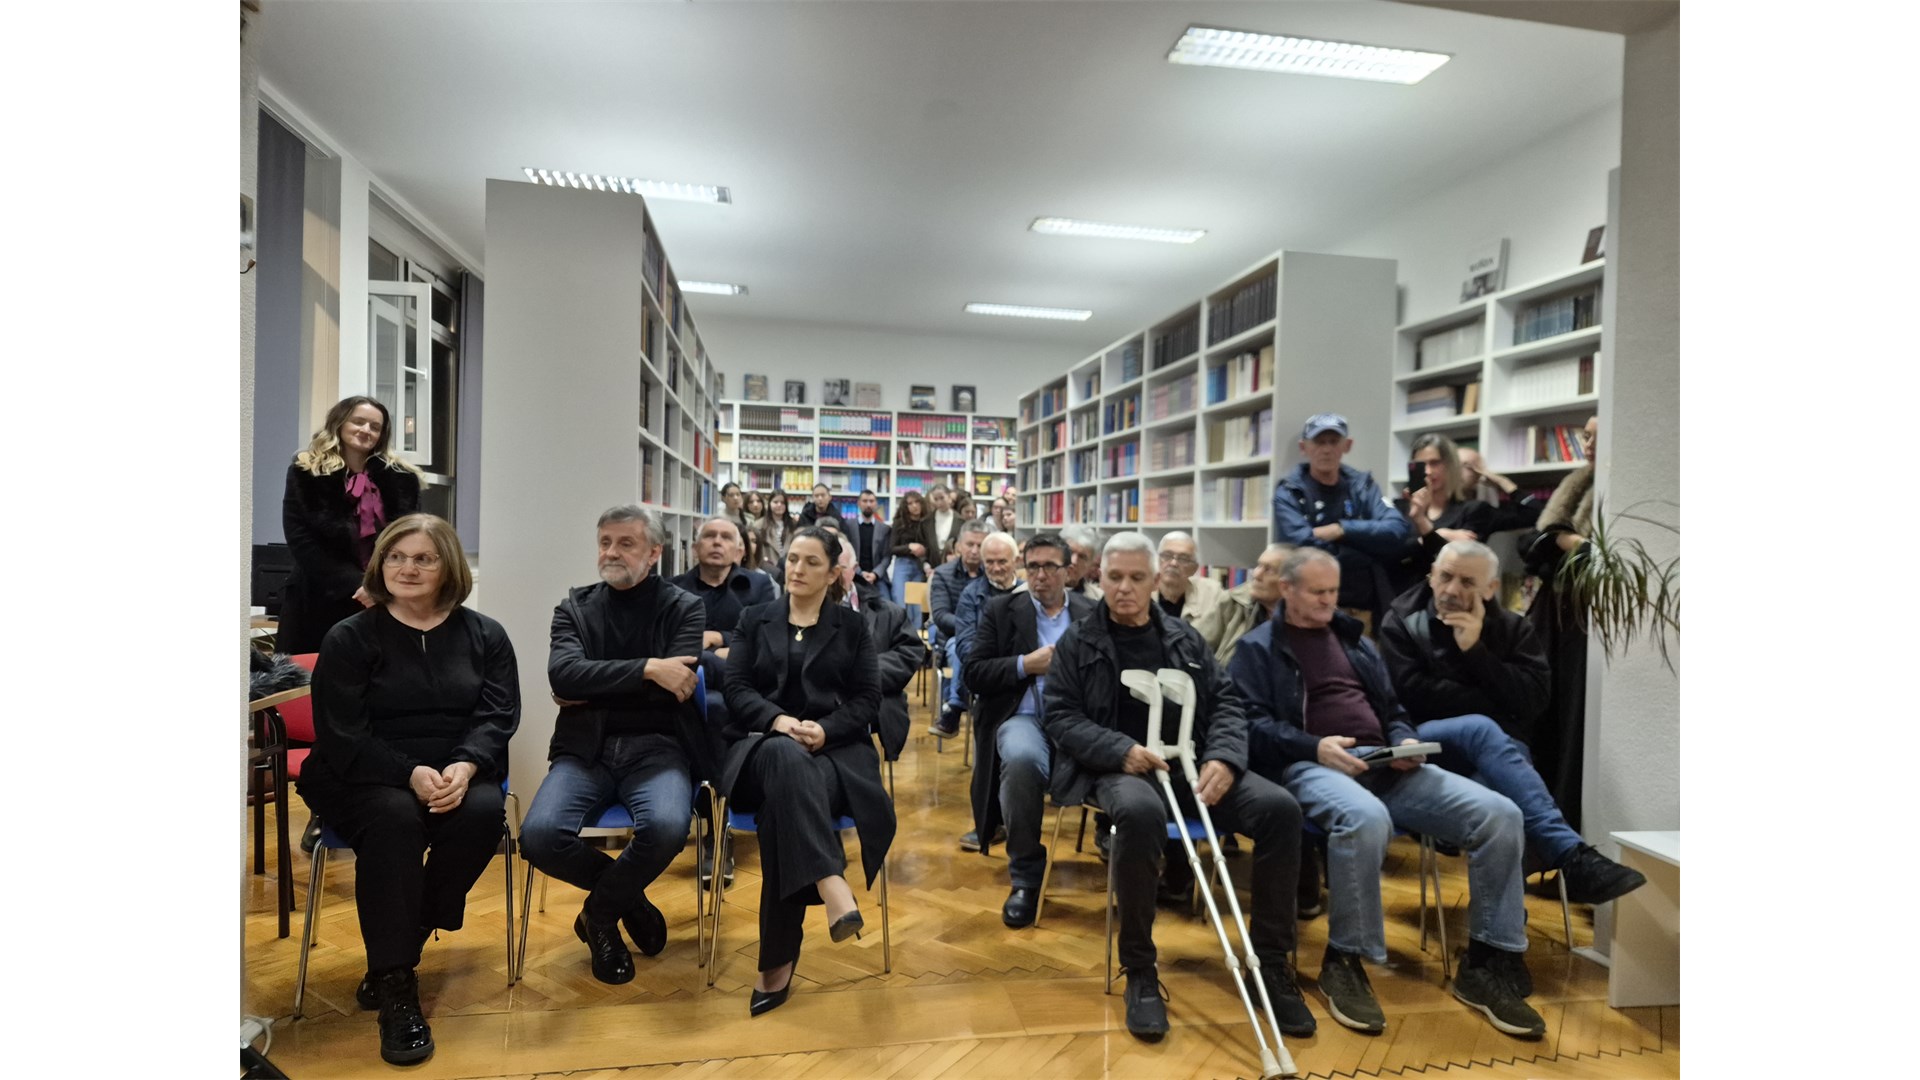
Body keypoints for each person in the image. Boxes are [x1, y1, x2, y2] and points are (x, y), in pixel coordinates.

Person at [1228, 547, 1542, 1039]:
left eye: (1334, 591)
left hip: (1385, 763)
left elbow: (1392, 708)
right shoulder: (1257, 648)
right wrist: (1315, 746)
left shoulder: (1356, 642)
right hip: (1312, 765)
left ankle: (1486, 962)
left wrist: (1403, 738)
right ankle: (1345, 962)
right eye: (1317, 592)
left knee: (1499, 813)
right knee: (1366, 818)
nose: (1329, 601)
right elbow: (1250, 726)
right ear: (1286, 590)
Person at [1043, 532, 1313, 1042]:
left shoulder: (1183, 638)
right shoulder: (1079, 640)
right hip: (1118, 770)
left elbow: (1228, 702)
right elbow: (1060, 716)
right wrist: (1118, 749)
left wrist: (1226, 758)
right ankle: (1140, 969)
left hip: (1193, 767)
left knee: (1279, 808)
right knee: (1141, 816)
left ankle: (1271, 965)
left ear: (1156, 579)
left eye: (1136, 578)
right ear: (1099, 577)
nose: (1125, 588)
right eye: (1115, 577)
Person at [296, 513, 518, 1066]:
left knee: (484, 812)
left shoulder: (486, 634)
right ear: (379, 565)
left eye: (424, 558)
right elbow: (342, 732)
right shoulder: (349, 636)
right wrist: (410, 773)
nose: (407, 568)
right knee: (396, 820)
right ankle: (396, 984)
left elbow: (497, 715)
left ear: (450, 567)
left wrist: (465, 767)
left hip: (454, 768)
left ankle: (412, 929)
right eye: (396, 557)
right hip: (361, 770)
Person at [1379, 540, 1647, 904]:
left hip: (1498, 753)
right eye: (1445, 577)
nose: (1452, 590)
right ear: (1431, 577)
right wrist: (1494, 700)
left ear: (1490, 589)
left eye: (1467, 582)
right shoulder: (1402, 621)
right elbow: (1411, 695)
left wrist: (1475, 651)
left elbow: (1534, 701)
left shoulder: (1513, 628)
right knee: (1481, 726)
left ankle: (1500, 942)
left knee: (1504, 801)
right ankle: (1571, 857)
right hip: (1424, 744)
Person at [521, 506, 713, 985]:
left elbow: (681, 680)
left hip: (659, 746)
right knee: (538, 836)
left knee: (668, 826)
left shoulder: (683, 607)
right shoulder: (575, 607)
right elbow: (562, 674)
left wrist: (595, 682)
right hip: (586, 748)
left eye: (625, 543)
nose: (611, 552)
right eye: (605, 542)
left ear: (654, 552)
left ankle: (599, 916)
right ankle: (628, 899)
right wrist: (650, 669)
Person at [720, 527, 895, 1016]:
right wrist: (777, 720)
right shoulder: (754, 619)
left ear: (834, 572)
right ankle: (829, 880)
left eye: (810, 562)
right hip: (760, 748)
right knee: (782, 755)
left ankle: (776, 962)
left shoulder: (853, 626)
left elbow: (867, 700)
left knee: (785, 807)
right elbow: (736, 689)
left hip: (834, 756)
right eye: (792, 558)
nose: (796, 569)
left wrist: (825, 728)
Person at [964, 532, 1095, 927]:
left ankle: (1128, 861)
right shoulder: (1001, 610)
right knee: (1020, 759)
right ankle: (1025, 877)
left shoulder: (1091, 612)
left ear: (1068, 570)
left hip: (1078, 719)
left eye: (1049, 567)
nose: (1039, 576)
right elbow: (973, 672)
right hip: (1022, 716)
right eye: (1032, 566)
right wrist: (1025, 664)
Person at [671, 516, 777, 883]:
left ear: (740, 549)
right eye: (709, 536)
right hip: (684, 693)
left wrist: (713, 638)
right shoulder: (675, 588)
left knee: (717, 706)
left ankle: (716, 831)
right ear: (696, 547)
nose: (717, 542)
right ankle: (717, 828)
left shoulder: (760, 586)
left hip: (748, 691)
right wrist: (731, 647)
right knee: (710, 705)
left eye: (726, 537)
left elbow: (764, 644)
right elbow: (674, 649)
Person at [280, 396, 423, 653]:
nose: (366, 430)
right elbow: (300, 538)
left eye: (374, 427)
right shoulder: (306, 471)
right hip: (318, 598)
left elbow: (412, 538)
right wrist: (356, 585)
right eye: (358, 422)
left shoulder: (402, 478)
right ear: (340, 423)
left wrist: (379, 586)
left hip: (384, 598)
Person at [1270, 413, 1413, 630]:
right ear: (1303, 447)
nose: (1326, 449)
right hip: (1307, 609)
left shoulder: (1363, 486)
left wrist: (1342, 529)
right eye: (1319, 441)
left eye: (1333, 441)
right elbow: (1300, 545)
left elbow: (1398, 529)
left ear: (1347, 445)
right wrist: (1369, 552)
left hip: (1362, 609)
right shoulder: (1288, 492)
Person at [832, 537, 927, 764]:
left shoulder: (887, 612)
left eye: (839, 568)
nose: (831, 576)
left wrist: (862, 672)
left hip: (872, 698)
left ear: (854, 570)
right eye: (825, 567)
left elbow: (908, 653)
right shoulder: (800, 609)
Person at [940, 532, 1023, 758]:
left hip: (1024, 676)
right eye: (990, 562)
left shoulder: (1028, 593)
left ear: (1016, 561)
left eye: (1002, 562)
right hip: (988, 674)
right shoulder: (971, 594)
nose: (996, 568)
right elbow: (966, 644)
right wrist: (993, 665)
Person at [1391, 433, 1495, 595]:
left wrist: (1422, 523)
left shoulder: (1473, 510)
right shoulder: (1400, 507)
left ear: (1450, 465)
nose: (1428, 471)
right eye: (1421, 465)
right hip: (1401, 598)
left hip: (1450, 598)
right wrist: (1441, 533)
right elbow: (1391, 556)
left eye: (1435, 463)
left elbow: (1460, 563)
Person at [927, 519, 989, 735]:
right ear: (959, 546)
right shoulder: (943, 574)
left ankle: (955, 706)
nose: (974, 551)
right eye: (970, 544)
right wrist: (973, 628)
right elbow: (941, 616)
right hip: (951, 637)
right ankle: (959, 705)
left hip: (989, 641)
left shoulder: (992, 573)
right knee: (961, 647)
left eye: (980, 546)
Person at [1194, 543, 1292, 668]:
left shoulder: (1305, 620)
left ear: (1289, 583)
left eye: (1269, 569)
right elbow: (1194, 647)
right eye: (1259, 566)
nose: (1256, 574)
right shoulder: (1233, 602)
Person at [1458, 447, 1544, 535]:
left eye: (1468, 466)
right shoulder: (1444, 505)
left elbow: (1536, 515)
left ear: (1479, 473)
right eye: (1454, 464)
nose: (1457, 470)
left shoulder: (1481, 512)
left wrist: (1504, 482)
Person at [1150, 531, 1222, 625]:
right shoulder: (1142, 591)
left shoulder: (1211, 593)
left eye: (1183, 559)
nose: (1173, 563)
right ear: (1157, 560)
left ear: (1194, 568)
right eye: (1167, 555)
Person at [888, 488, 935, 610]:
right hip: (903, 563)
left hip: (920, 565)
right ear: (905, 507)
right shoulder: (900, 523)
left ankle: (916, 629)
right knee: (900, 600)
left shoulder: (927, 522)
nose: (914, 506)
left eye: (917, 502)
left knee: (917, 605)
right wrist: (909, 547)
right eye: (910, 503)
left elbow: (931, 546)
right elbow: (892, 548)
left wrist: (924, 550)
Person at [847, 489, 892, 608]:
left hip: (878, 578)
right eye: (865, 501)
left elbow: (887, 557)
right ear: (858, 503)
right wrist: (860, 573)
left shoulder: (884, 528)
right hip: (854, 575)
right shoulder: (848, 526)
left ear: (876, 504)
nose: (868, 504)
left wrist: (875, 574)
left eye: (871, 501)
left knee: (887, 605)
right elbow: (847, 554)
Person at [754, 488, 796, 584]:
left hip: (789, 570)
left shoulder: (793, 524)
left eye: (782, 502)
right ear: (769, 504)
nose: (779, 505)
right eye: (775, 502)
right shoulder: (759, 525)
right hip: (767, 570)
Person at [718, 482, 761, 573]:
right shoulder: (718, 519)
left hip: (744, 558)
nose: (736, 498)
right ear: (723, 498)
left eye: (738, 494)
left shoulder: (749, 519)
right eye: (731, 495)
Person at [1058, 524, 1105, 601]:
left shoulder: (1099, 599)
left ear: (1090, 565)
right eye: (1070, 552)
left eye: (1082, 557)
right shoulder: (1035, 591)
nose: (1074, 561)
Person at [926, 484, 963, 560]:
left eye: (942, 498)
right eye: (936, 499)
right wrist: (925, 565)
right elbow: (923, 545)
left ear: (949, 498)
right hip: (931, 564)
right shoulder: (926, 521)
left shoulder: (960, 521)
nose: (939, 502)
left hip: (953, 564)